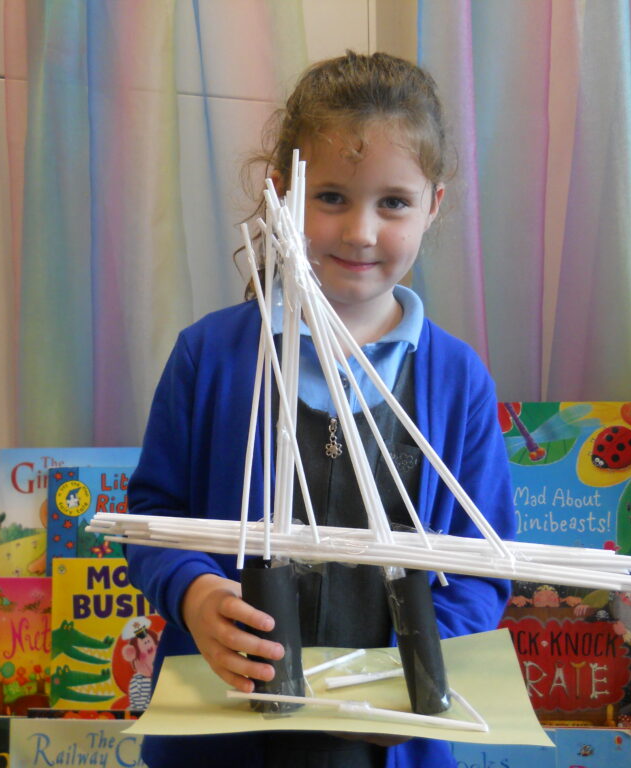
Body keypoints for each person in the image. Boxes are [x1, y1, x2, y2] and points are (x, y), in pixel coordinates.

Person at [126, 50, 516, 768]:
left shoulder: (457, 379)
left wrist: (420, 669)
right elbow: (152, 519)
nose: (361, 232)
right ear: (281, 196)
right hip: (222, 740)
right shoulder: (209, 357)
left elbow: (483, 565)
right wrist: (196, 593)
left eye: (393, 203)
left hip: (389, 740)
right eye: (331, 196)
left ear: (433, 205)